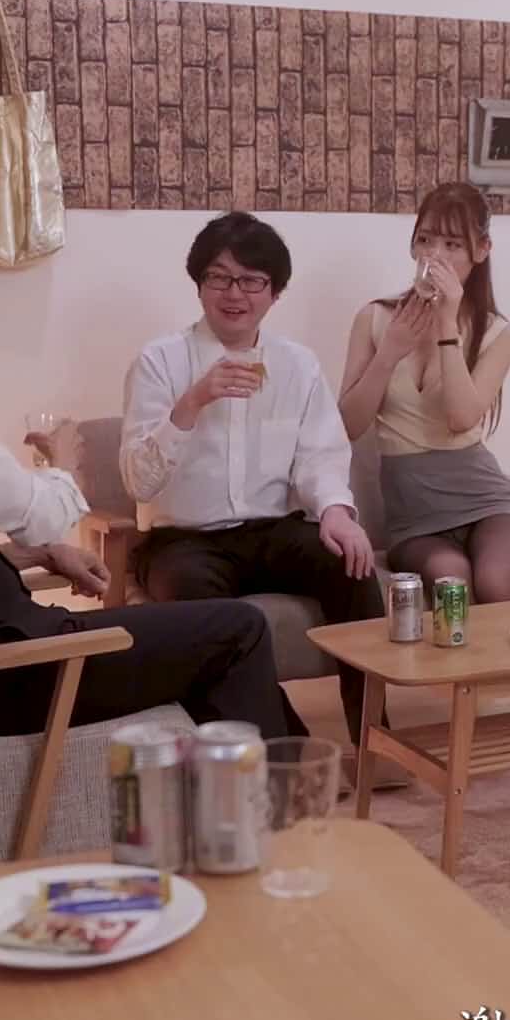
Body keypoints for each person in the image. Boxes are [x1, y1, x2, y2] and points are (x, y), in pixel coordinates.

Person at [0, 231, 300, 740]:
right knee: (239, 630)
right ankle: (285, 779)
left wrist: (42, 555)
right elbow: (39, 516)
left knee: (204, 643)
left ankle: (276, 770)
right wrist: (63, 460)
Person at [119, 211, 388, 756]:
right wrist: (192, 402)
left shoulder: (297, 366)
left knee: (350, 563)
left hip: (270, 530)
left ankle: (376, 741)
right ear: (198, 284)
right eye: (219, 277)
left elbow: (321, 455)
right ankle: (288, 751)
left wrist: (336, 510)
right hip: (183, 541)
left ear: (275, 292)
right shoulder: (160, 361)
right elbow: (138, 481)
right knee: (198, 607)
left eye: (251, 280)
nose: (234, 293)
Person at [337, 181, 510, 719]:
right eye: (426, 240)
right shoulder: (375, 318)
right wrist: (389, 354)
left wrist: (447, 324)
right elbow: (350, 423)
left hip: (484, 498)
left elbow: (460, 417)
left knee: (498, 580)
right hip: (416, 516)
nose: (436, 256)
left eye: (453, 244)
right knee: (451, 577)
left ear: (482, 251)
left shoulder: (497, 332)